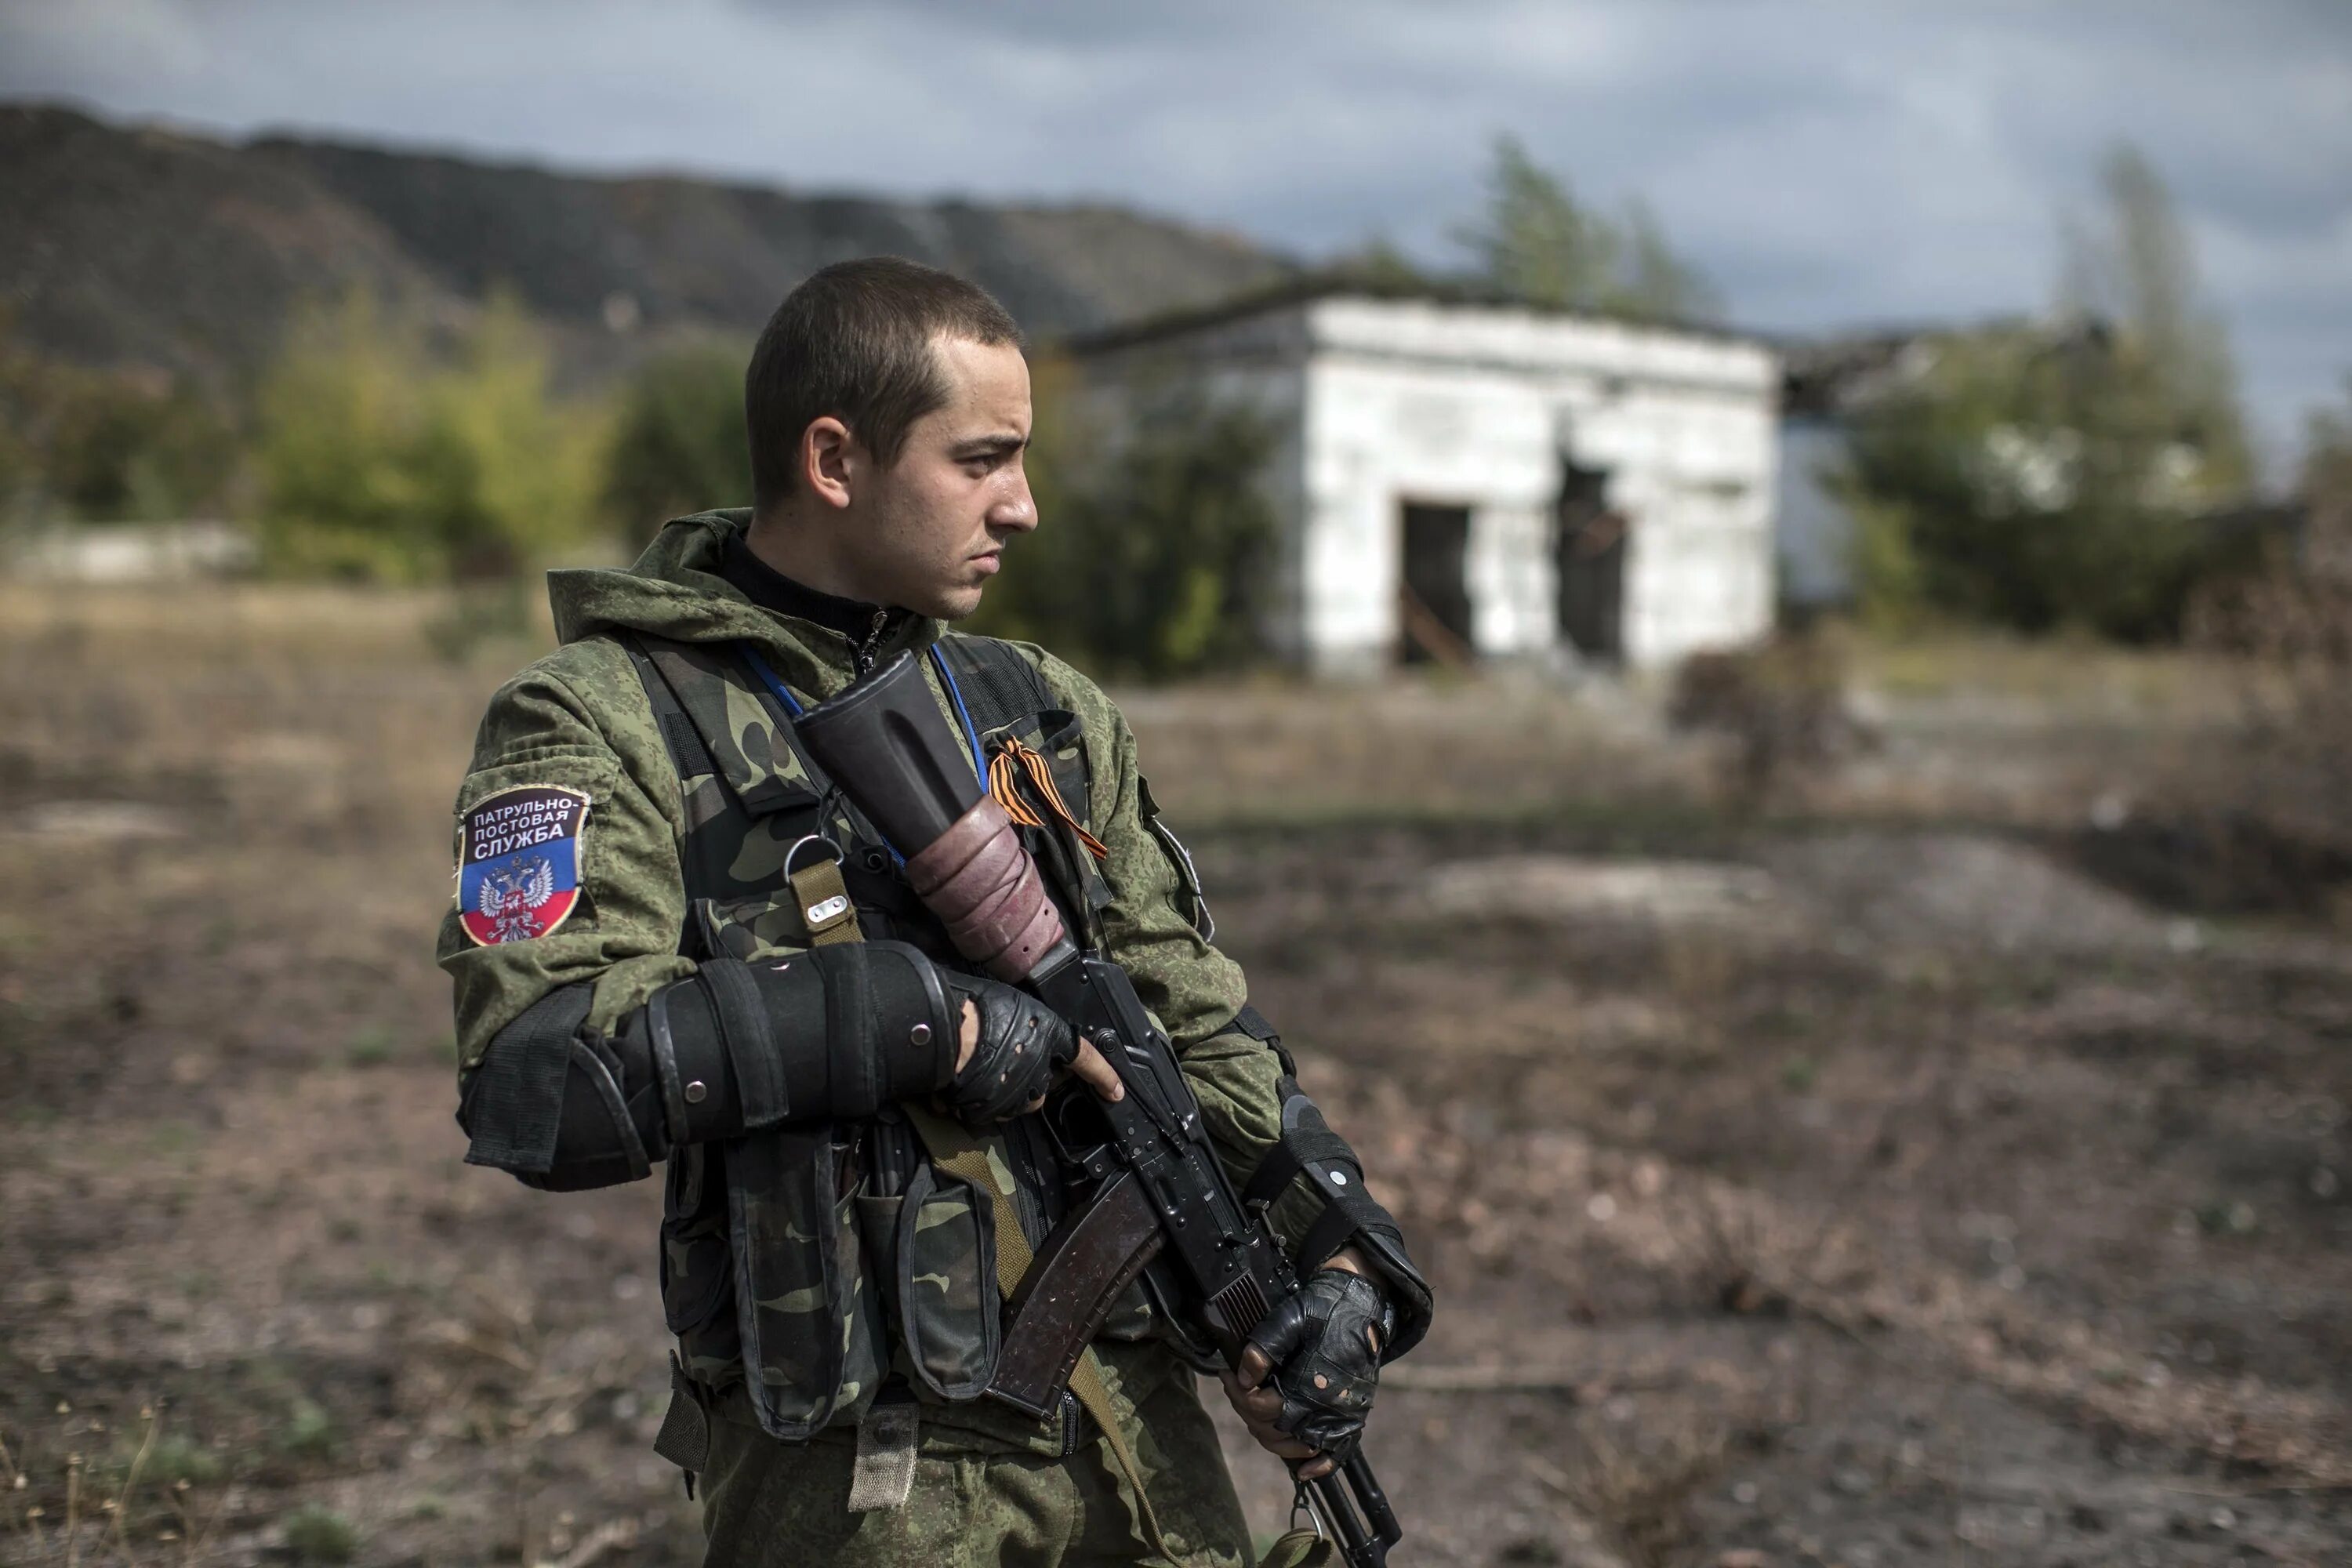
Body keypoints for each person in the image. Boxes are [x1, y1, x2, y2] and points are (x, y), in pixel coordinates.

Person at [438, 256, 1431, 1567]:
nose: (1024, 506)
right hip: (861, 1480)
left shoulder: (1042, 712)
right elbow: (543, 1074)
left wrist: (1345, 1264)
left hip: (1136, 1447)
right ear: (835, 459)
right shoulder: (602, 717)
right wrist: (941, 1026)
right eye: (983, 460)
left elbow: (1188, 1020)